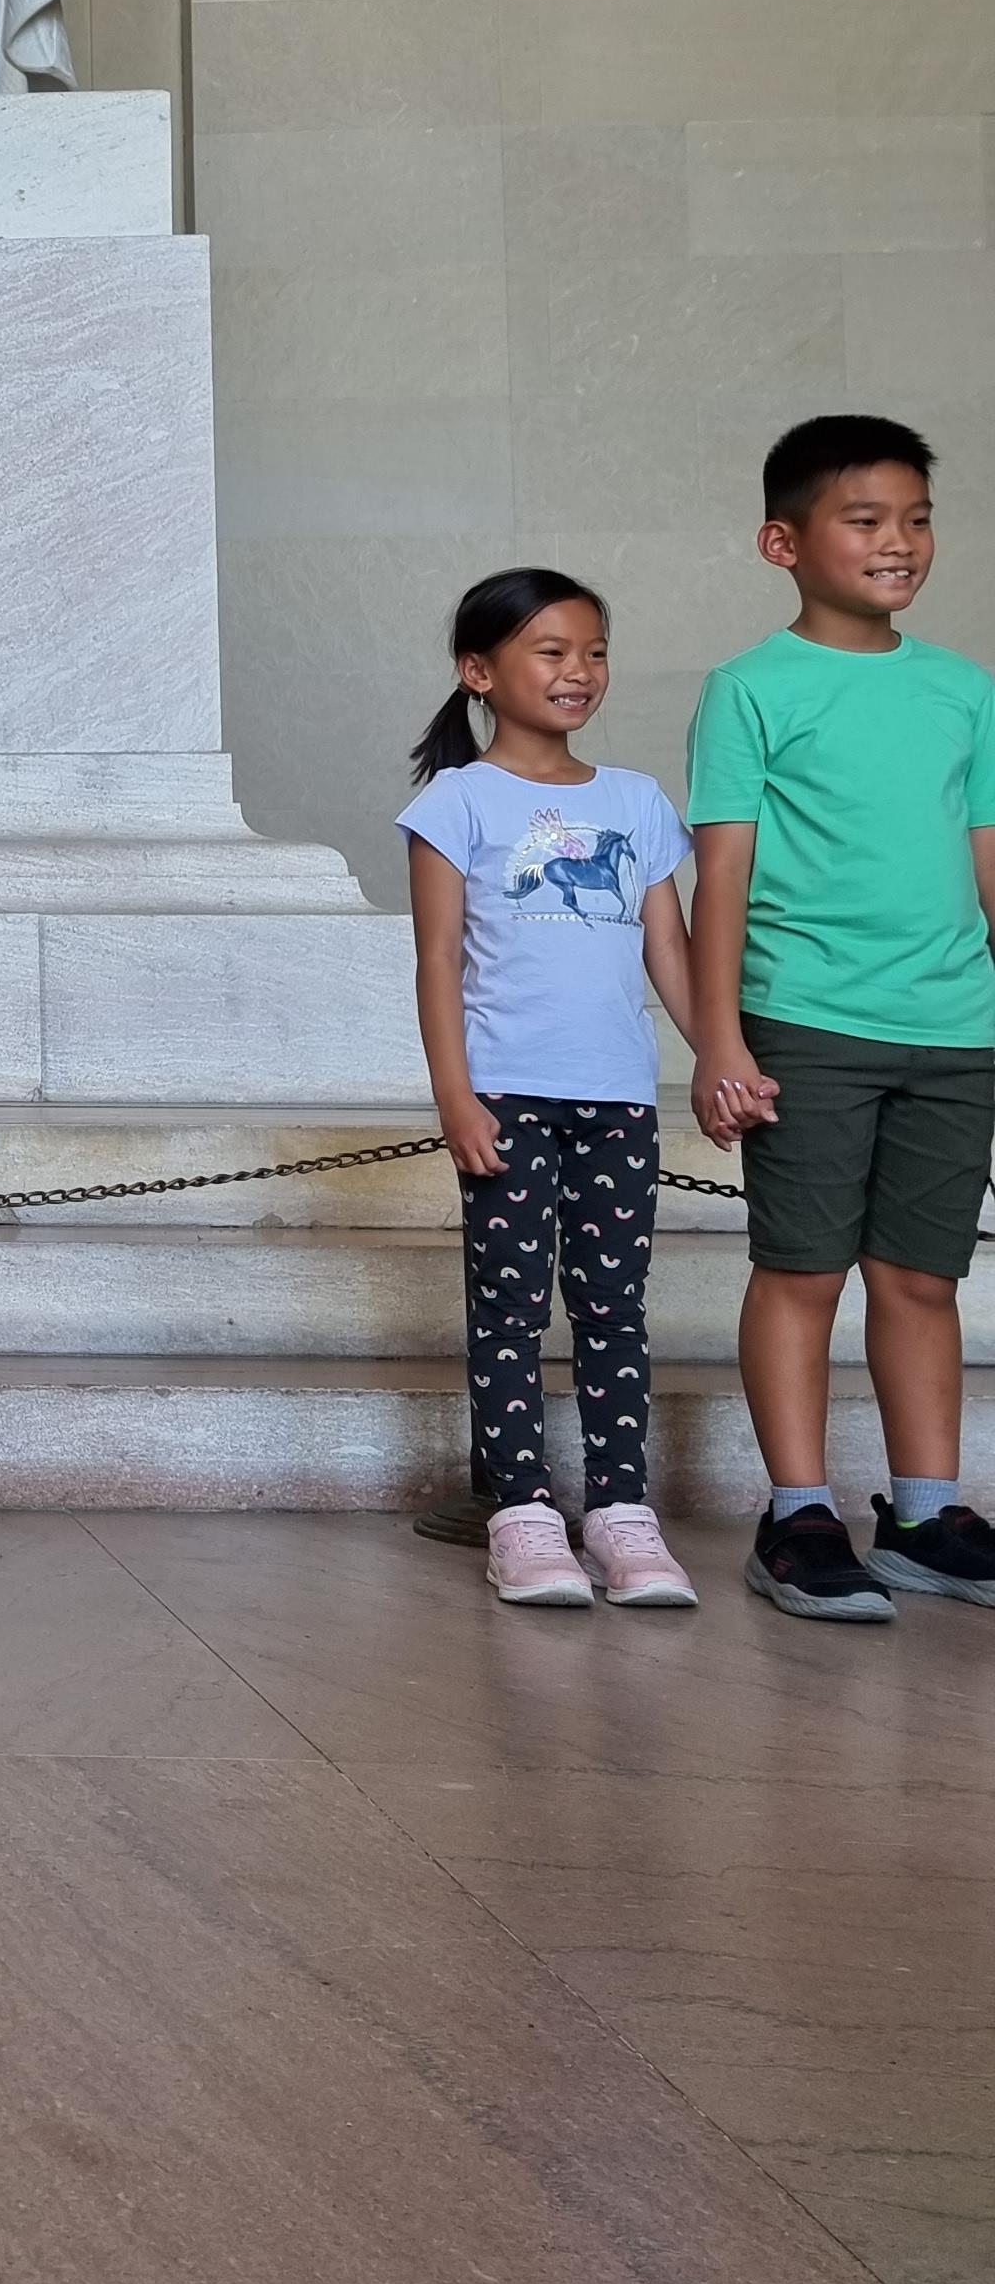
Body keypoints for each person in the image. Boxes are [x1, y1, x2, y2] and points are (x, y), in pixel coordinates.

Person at [686, 416, 995, 1622]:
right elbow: (720, 876)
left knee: (921, 1277)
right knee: (803, 1270)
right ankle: (798, 1515)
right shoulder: (751, 689)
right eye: (865, 520)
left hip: (956, 1027)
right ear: (785, 542)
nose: (899, 541)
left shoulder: (964, 689)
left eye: (917, 519)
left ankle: (926, 1514)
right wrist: (720, 1039)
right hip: (807, 1021)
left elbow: (986, 860)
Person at [402, 570, 705, 1607]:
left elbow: (670, 949)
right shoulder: (457, 802)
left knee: (615, 1306)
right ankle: (524, 1516)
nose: (580, 671)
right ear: (479, 672)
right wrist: (456, 1096)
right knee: (510, 1307)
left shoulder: (637, 800)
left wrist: (721, 1055)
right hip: (508, 1095)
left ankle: (622, 1514)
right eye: (552, 651)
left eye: (595, 651)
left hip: (618, 1096)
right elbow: (438, 961)